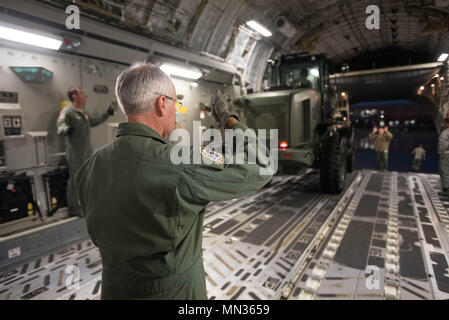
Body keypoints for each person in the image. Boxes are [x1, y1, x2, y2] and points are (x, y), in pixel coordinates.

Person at [75, 63, 273, 300]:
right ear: (162, 104)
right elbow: (261, 165)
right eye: (175, 104)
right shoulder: (182, 161)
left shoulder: (90, 166)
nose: (175, 111)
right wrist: (230, 120)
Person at [56, 87, 115, 217]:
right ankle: (74, 208)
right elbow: (59, 127)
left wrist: (107, 114)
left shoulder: (83, 112)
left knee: (88, 178)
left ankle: (86, 205)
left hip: (87, 150)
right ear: (75, 96)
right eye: (83, 94)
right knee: (76, 179)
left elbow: (93, 122)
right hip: (75, 152)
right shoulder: (67, 112)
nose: (86, 96)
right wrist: (67, 129)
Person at [438, 118, 449, 196]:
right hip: (445, 153)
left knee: (445, 171)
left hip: (446, 154)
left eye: (445, 123)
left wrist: (443, 151)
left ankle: (447, 189)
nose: (444, 124)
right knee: (444, 170)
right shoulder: (446, 132)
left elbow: (444, 144)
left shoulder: (447, 132)